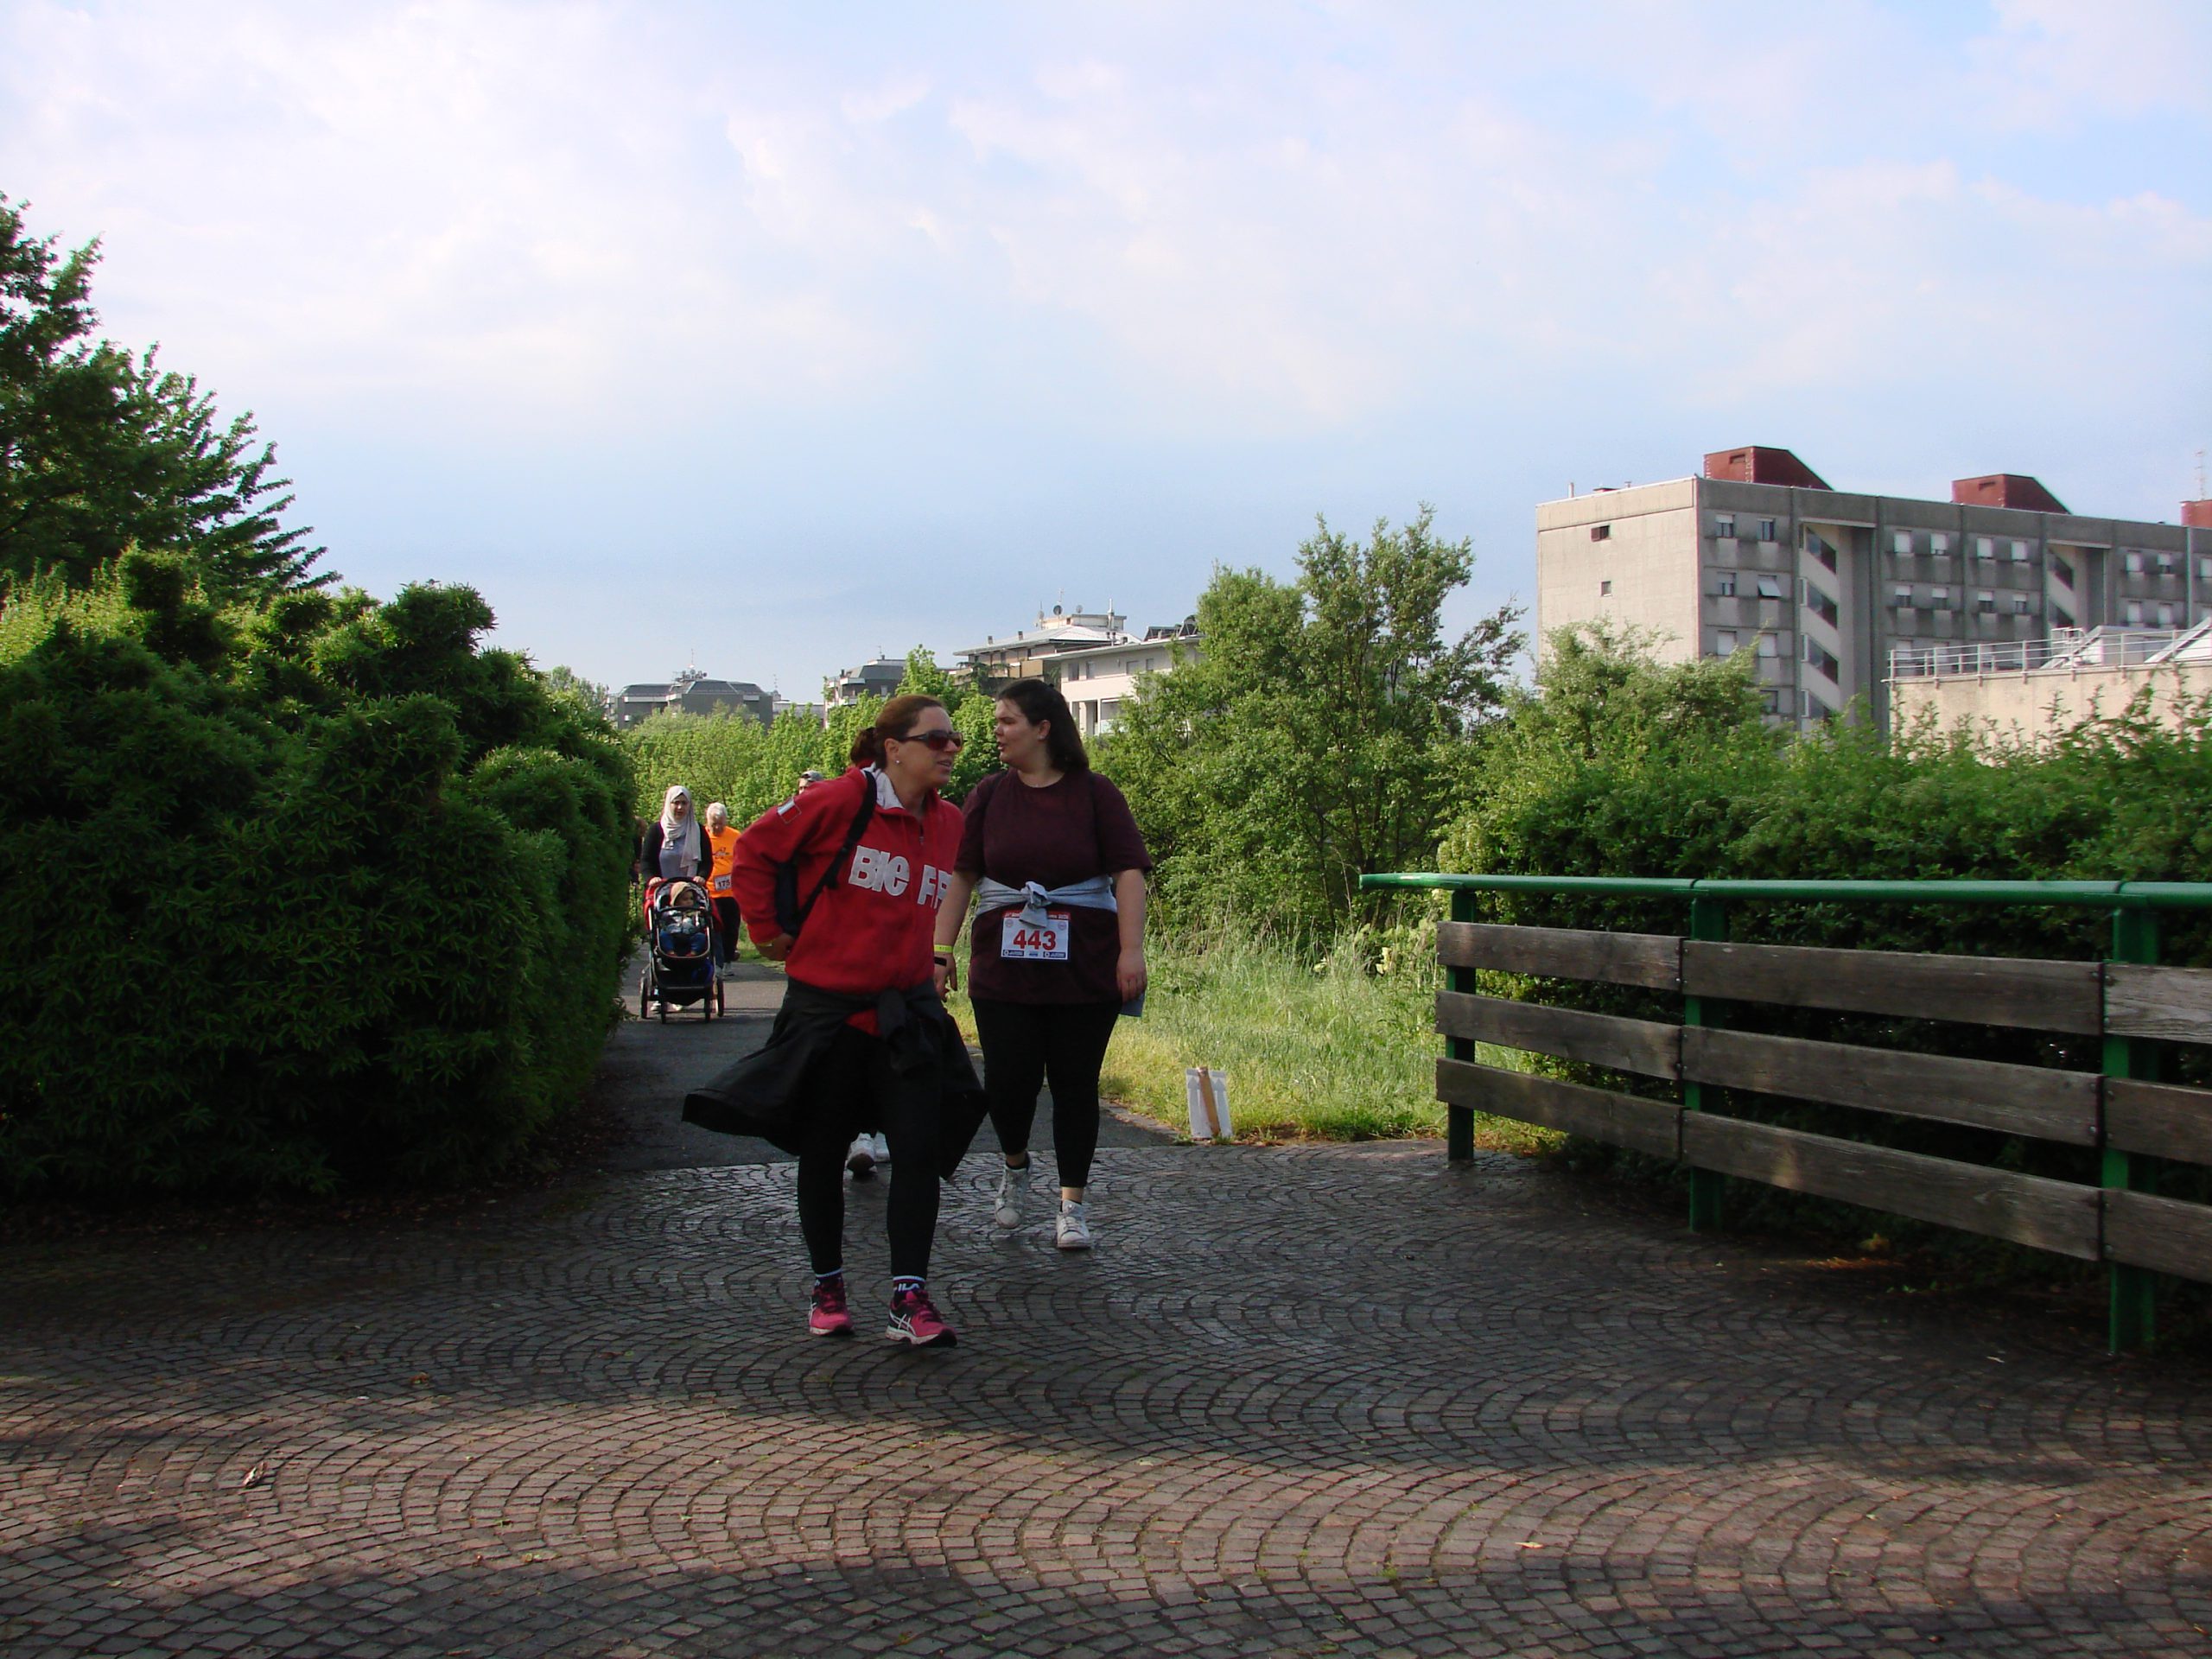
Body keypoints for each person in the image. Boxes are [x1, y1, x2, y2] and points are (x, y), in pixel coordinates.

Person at [682, 696, 982, 1346]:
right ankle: (828, 1286)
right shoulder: (840, 800)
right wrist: (767, 933)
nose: (952, 748)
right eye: (936, 739)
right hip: (828, 1010)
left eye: (954, 738)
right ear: (893, 748)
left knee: (919, 1151)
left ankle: (909, 1299)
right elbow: (754, 851)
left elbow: (931, 899)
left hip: (906, 1011)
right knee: (822, 1152)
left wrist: (935, 953)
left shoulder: (950, 821)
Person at [932, 677, 1150, 1251]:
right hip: (1004, 972)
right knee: (1008, 1083)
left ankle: (1071, 1205)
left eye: (1007, 721)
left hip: (1085, 971)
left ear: (1043, 729)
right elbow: (962, 876)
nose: (997, 732)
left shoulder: (1097, 794)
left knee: (1076, 1085)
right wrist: (940, 949)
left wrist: (1131, 950)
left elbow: (1129, 872)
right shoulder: (987, 795)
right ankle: (1015, 1165)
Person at [639, 785, 712, 887]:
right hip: (661, 888)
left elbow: (707, 861)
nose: (680, 807)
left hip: (691, 889)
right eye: (676, 803)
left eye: (684, 803)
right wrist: (651, 878)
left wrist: (702, 876)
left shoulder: (698, 830)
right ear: (669, 804)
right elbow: (646, 860)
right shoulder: (656, 830)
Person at [703, 801, 741, 978]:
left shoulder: (735, 836)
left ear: (726, 821)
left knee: (731, 927)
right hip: (710, 891)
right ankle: (717, 962)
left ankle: (728, 960)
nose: (717, 828)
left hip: (732, 891)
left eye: (720, 824)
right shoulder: (702, 836)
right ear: (708, 821)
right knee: (715, 928)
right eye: (714, 824)